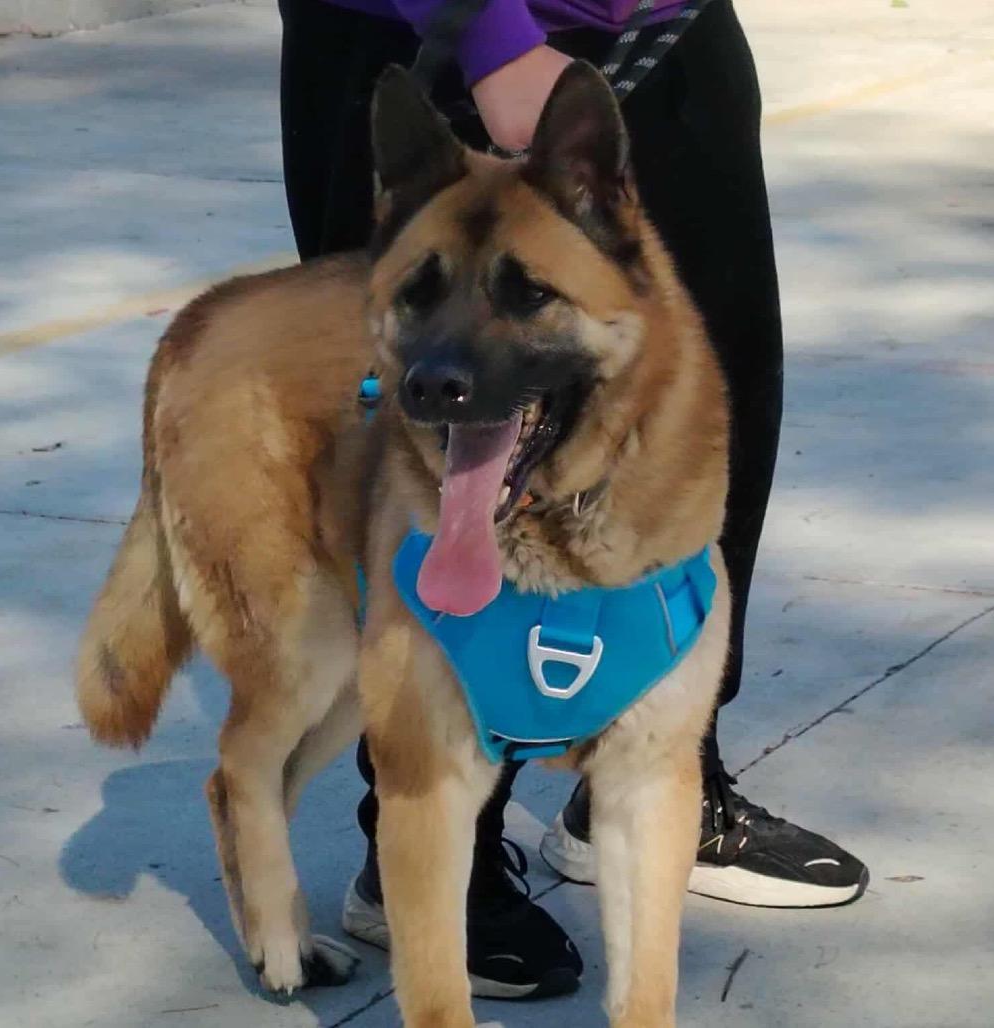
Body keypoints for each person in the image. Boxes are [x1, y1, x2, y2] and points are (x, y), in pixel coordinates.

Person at [277, 0, 870, 1002]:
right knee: (433, 411)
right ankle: (432, 842)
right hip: (430, 28)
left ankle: (652, 766)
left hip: (664, 25)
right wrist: (492, 36)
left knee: (699, 401)